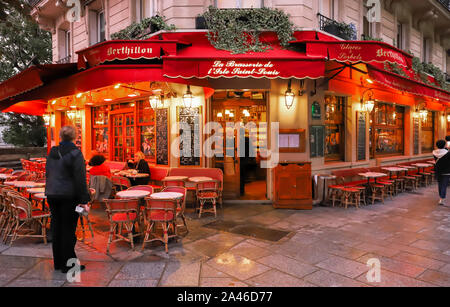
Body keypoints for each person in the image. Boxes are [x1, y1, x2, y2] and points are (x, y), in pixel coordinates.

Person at [45, 126, 90, 273]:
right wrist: (84, 200)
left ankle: (58, 262)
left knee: (57, 227)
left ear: (60, 137)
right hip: (68, 196)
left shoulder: (52, 152)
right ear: (75, 137)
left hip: (52, 194)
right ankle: (69, 265)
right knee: (68, 230)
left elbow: (48, 172)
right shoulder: (76, 153)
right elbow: (80, 179)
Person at [433, 139, 450, 206]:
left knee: (440, 184)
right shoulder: (448, 153)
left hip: (438, 171)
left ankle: (441, 196)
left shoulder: (434, 152)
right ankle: (441, 198)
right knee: (444, 185)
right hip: (446, 171)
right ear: (444, 145)